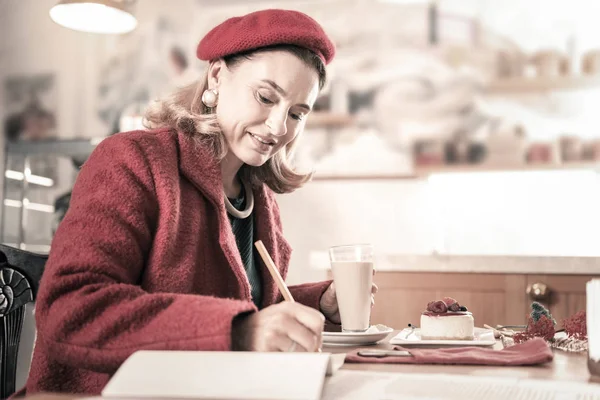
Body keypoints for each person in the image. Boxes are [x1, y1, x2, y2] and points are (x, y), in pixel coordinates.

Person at [21, 9, 377, 396]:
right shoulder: (133, 160)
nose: (279, 127)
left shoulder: (257, 195)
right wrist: (238, 331)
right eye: (265, 97)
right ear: (217, 78)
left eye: (296, 113)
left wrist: (318, 303)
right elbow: (70, 308)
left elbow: (248, 305)